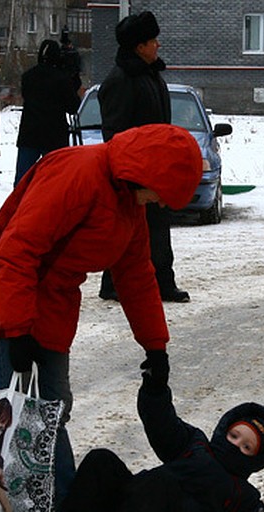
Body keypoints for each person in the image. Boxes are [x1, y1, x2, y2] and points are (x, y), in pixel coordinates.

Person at [0, 123, 203, 512]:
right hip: (2, 301)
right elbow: (17, 251)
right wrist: (16, 331)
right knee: (23, 421)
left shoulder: (127, 202)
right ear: (148, 173)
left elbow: (136, 275)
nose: (163, 204)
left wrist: (156, 346)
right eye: (164, 193)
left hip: (47, 309)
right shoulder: (79, 174)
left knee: (53, 411)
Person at [54, 354, 264, 512]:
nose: (237, 446)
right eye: (235, 436)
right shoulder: (195, 443)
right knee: (101, 460)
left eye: (246, 447)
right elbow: (162, 425)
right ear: (224, 430)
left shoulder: (240, 492)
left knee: (163, 480)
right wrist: (155, 389)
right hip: (139, 506)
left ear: (256, 459)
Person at [97, 11, 190, 304]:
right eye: (152, 41)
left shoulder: (150, 75)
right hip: (134, 172)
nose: (158, 45)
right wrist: (128, 172)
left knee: (158, 228)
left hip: (155, 168)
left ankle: (163, 282)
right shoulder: (121, 79)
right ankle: (112, 284)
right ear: (139, 47)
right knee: (128, 231)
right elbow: (115, 131)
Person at [13, 39, 83, 186]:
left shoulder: (28, 77)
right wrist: (73, 81)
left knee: (22, 179)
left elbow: (27, 97)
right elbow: (73, 107)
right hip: (54, 136)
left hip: (29, 133)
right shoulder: (62, 79)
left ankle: (18, 205)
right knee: (55, 178)